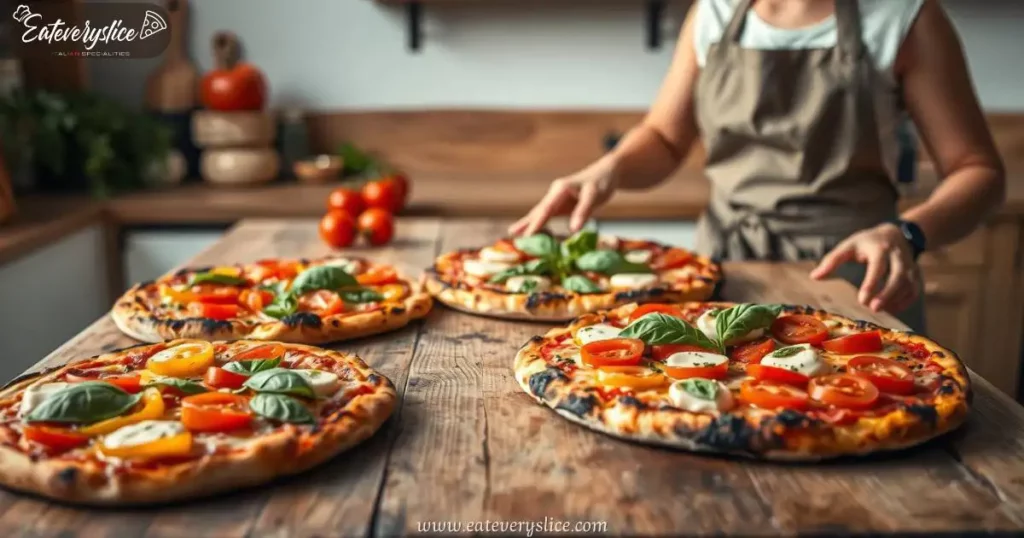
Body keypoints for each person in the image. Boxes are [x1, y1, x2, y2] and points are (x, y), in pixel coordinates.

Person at [510, 0, 1005, 332]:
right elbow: (663, 138)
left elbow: (978, 171)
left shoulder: (904, 17)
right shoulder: (714, 12)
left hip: (851, 276)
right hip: (726, 262)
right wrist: (610, 168)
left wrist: (907, 234)